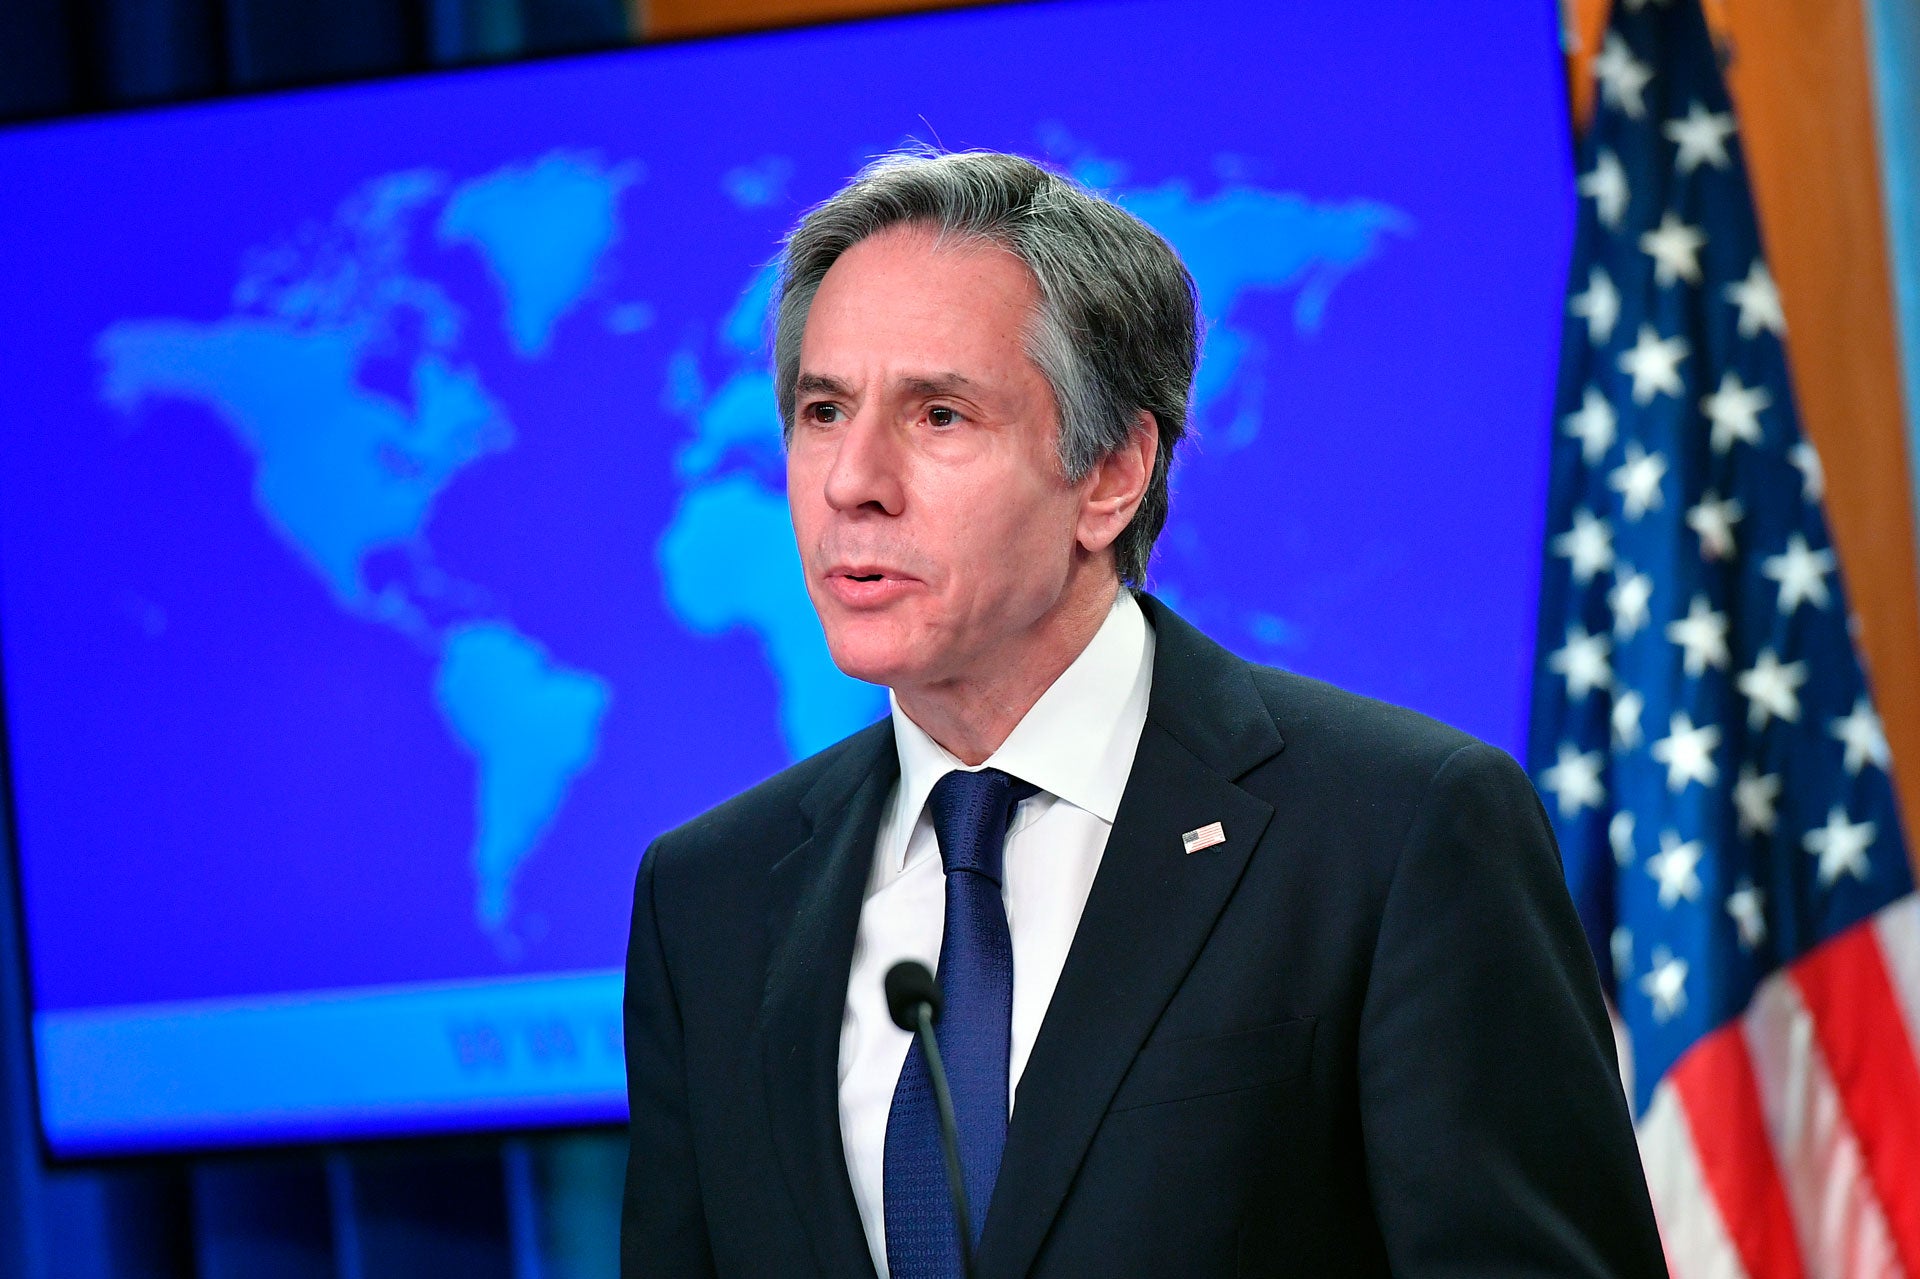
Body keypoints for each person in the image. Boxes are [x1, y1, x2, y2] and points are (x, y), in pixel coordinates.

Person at [621, 149, 1664, 1278]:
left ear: (1112, 473)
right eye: (823, 410)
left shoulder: (1397, 832)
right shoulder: (709, 900)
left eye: (939, 414)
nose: (850, 481)